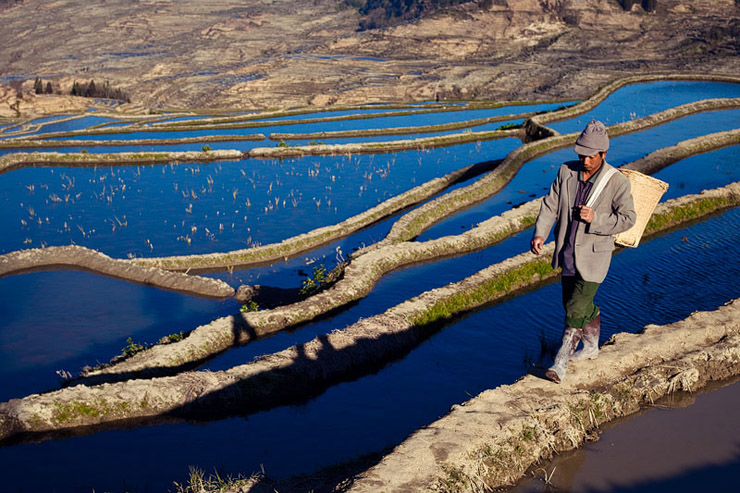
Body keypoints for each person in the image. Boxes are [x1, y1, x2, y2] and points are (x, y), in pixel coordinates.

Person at [530, 120, 636, 383]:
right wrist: (540, 233)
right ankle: (590, 348)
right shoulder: (566, 172)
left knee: (575, 308)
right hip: (567, 251)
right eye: (581, 155)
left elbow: (628, 219)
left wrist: (596, 218)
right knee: (572, 304)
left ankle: (560, 362)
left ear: (603, 154)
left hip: (594, 256)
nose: (585, 160)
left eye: (591, 156)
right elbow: (551, 204)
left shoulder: (617, 182)